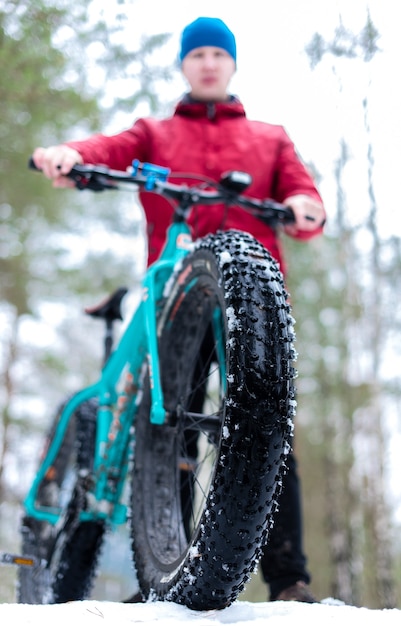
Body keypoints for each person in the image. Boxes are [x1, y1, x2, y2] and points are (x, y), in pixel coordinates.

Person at [32, 17, 326, 603]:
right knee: (170, 429)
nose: (209, 63)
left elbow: (302, 193)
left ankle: (288, 581)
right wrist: (71, 155)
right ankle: (161, 575)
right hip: (174, 307)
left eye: (220, 53)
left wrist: (302, 204)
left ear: (233, 64)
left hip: (251, 312)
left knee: (269, 429)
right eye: (199, 55)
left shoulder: (270, 138)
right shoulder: (156, 132)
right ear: (185, 65)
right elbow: (108, 151)